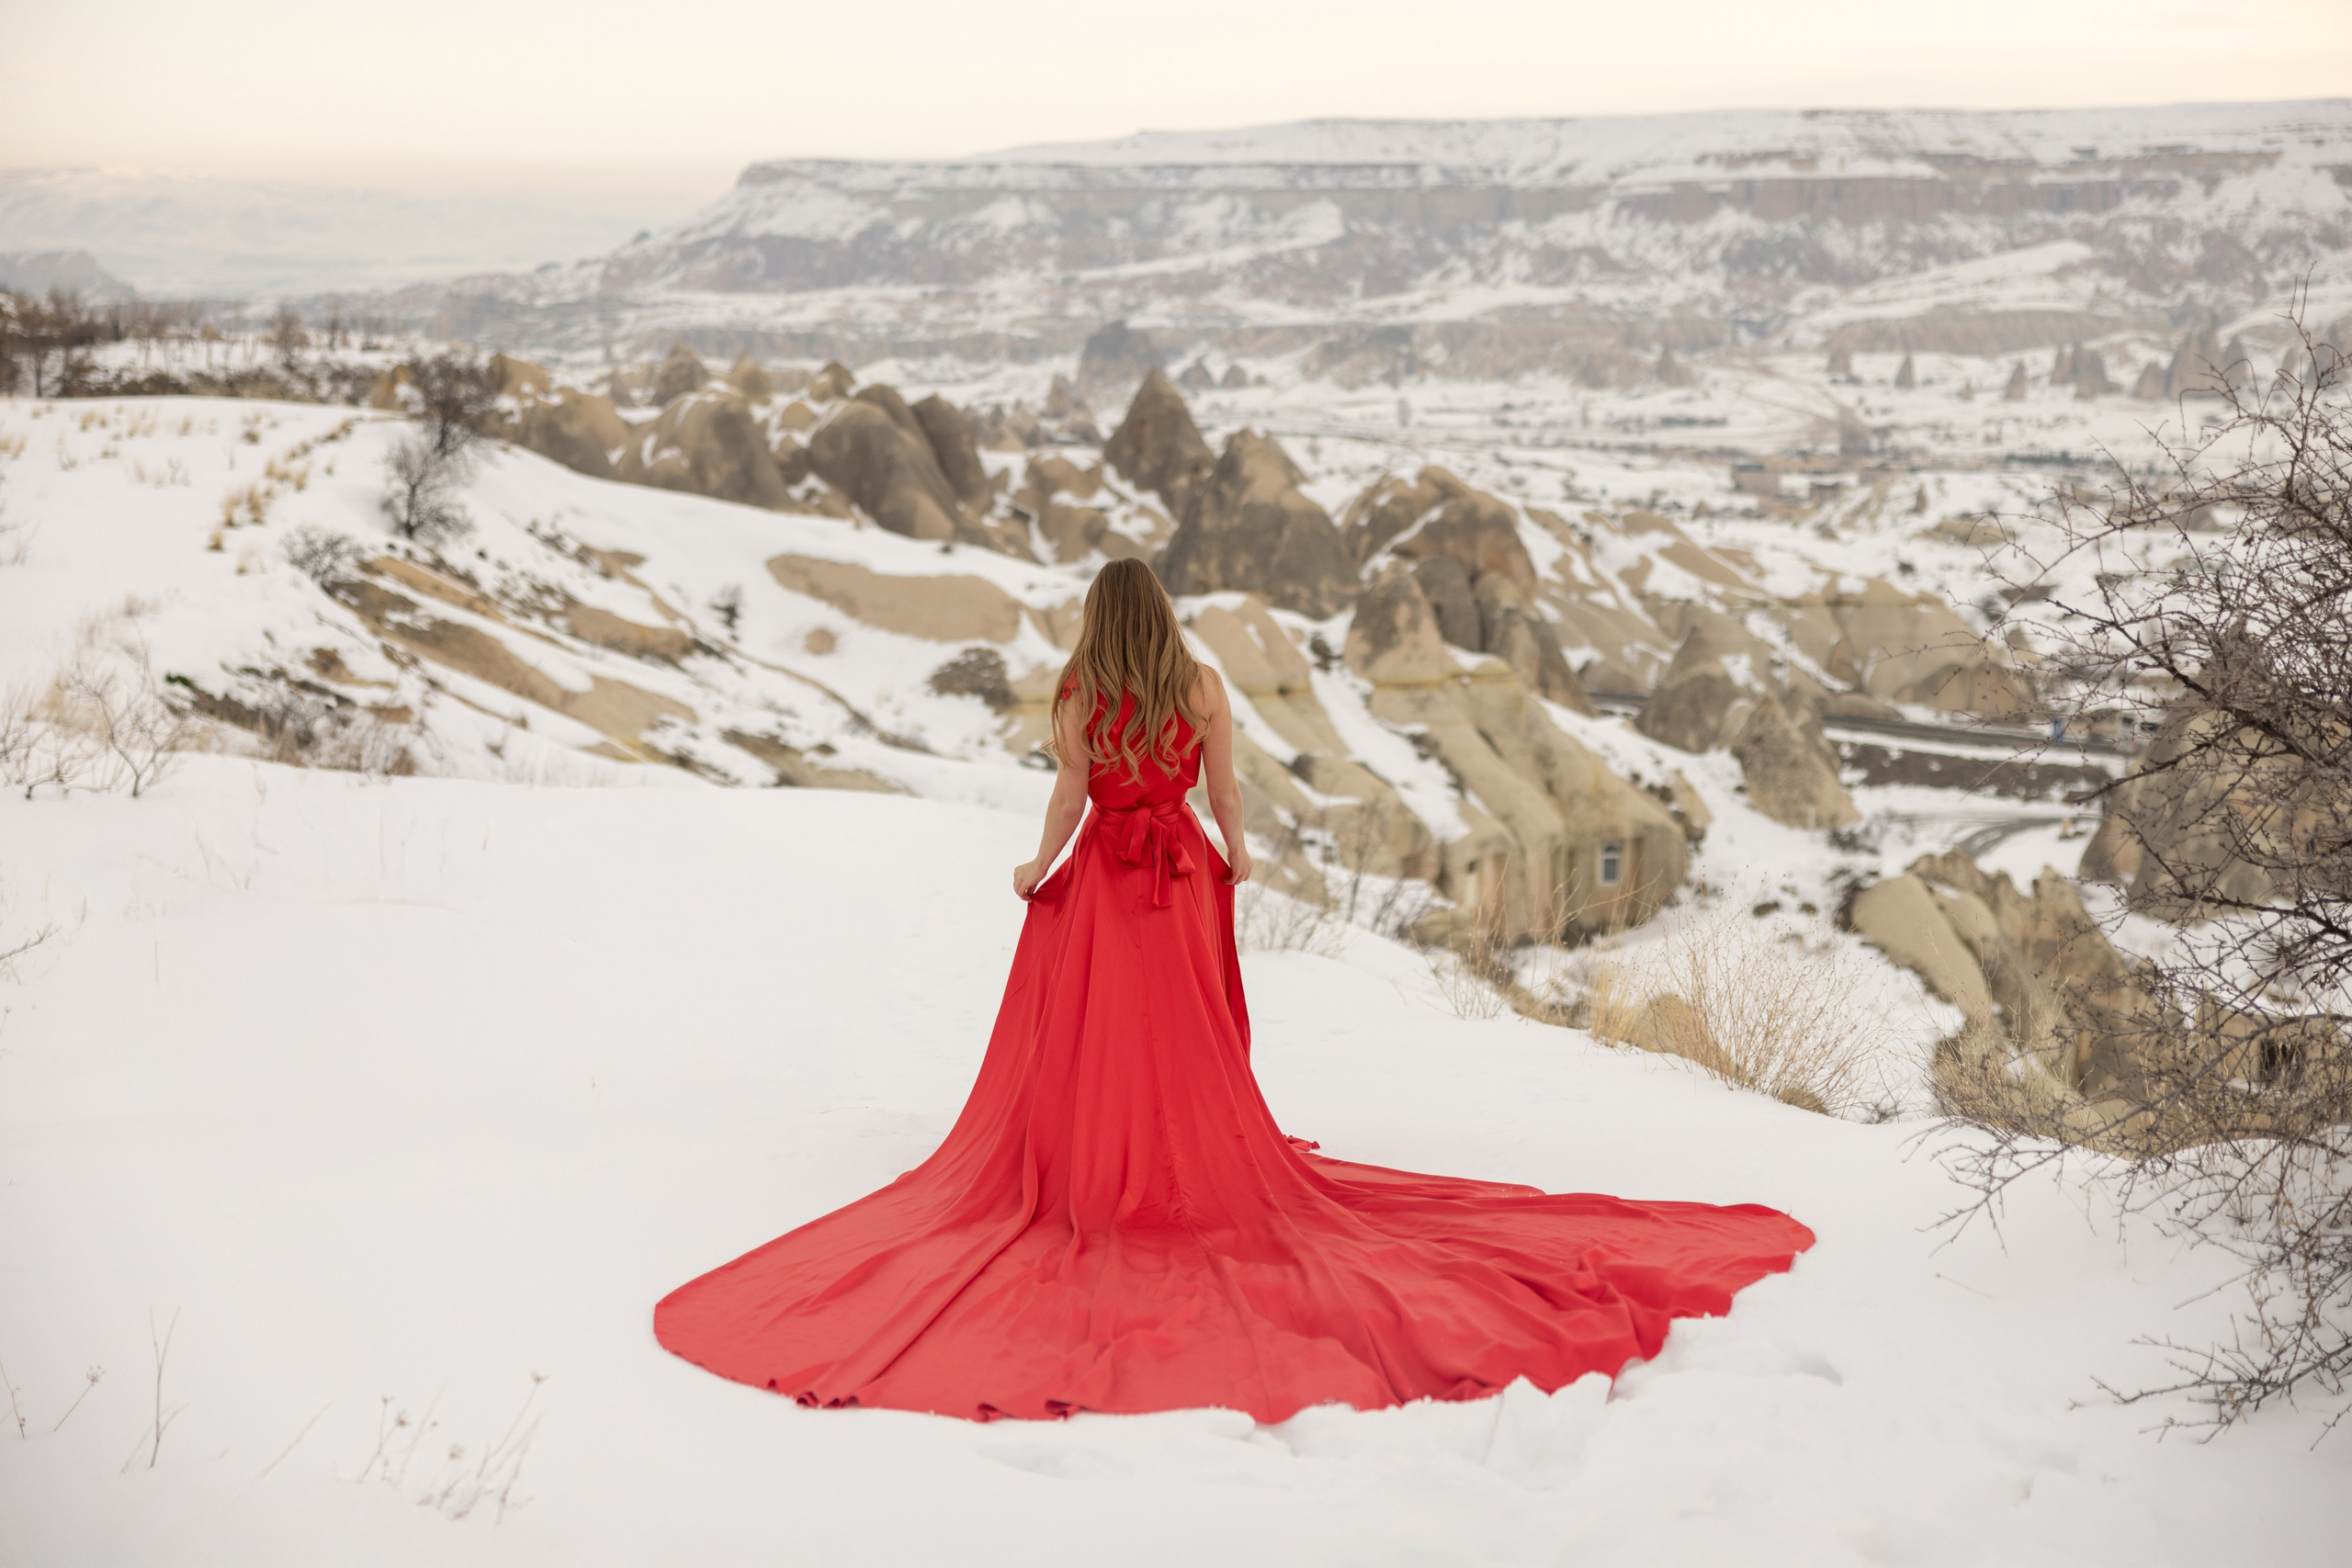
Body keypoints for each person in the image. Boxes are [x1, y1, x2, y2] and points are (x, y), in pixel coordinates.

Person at [655, 559, 1811, 1423]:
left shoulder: (1075, 695)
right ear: (1158, 618)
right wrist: (1237, 852)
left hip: (1112, 881)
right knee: (1185, 1035)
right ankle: (1185, 1152)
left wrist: (1034, 870)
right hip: (1183, 876)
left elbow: (1070, 800)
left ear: (1098, 625)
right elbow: (1227, 785)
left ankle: (1110, 1166)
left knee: (1104, 1039)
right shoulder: (1200, 682)